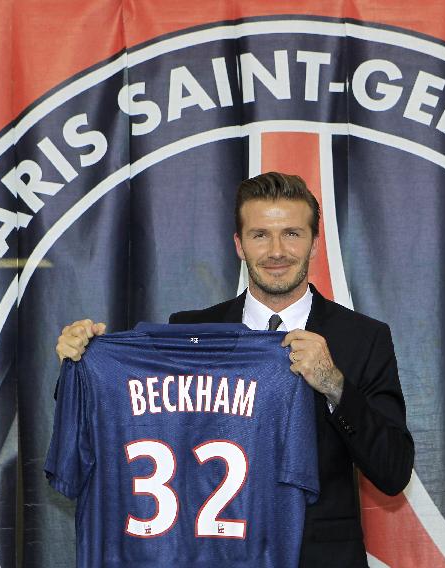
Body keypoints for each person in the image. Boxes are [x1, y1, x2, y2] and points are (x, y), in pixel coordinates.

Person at [55, 172, 414, 566]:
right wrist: (81, 367)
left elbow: (393, 471)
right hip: (209, 556)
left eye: (292, 234)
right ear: (239, 245)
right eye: (261, 235)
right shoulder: (189, 332)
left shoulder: (362, 338)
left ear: (314, 243)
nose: (277, 251)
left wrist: (334, 385)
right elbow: (120, 415)